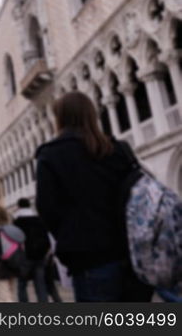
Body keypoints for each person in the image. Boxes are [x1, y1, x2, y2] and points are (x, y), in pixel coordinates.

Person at [36, 91, 154, 302]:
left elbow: (47, 209)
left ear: (60, 118)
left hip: (89, 258)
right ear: (92, 115)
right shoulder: (119, 149)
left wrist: (70, 235)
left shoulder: (51, 155)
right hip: (132, 256)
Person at [13, 197, 50, 302]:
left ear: (19, 206)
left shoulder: (17, 221)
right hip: (40, 256)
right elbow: (46, 238)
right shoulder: (39, 219)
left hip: (24, 256)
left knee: (22, 284)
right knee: (40, 284)